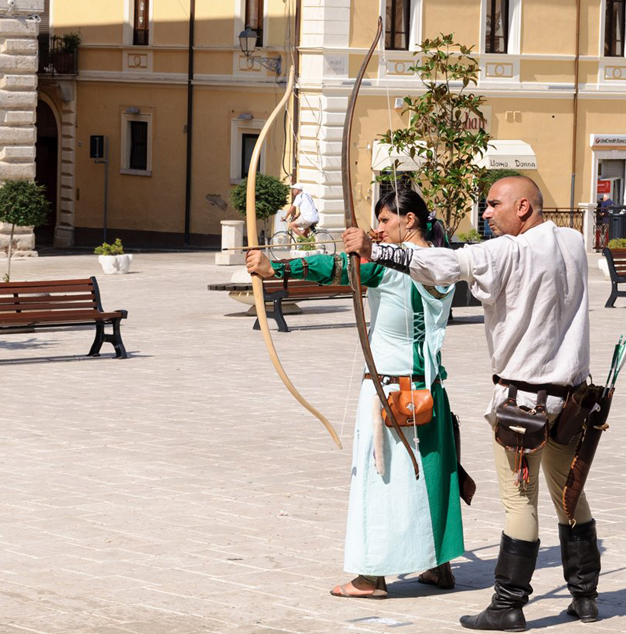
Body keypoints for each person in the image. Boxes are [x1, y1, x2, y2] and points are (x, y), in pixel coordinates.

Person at [344, 176, 602, 630]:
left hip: (524, 403)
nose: (485, 213)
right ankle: (585, 598)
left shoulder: (507, 251)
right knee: (569, 494)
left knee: (520, 502)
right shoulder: (573, 241)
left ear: (523, 207)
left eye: (493, 204)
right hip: (573, 399)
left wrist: (376, 249)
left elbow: (446, 263)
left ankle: (507, 606)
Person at [247, 189, 465, 599]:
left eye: (385, 221)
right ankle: (439, 566)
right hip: (428, 389)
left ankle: (370, 577)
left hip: (389, 391)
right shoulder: (440, 260)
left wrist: (274, 267)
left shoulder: (393, 266)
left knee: (380, 480)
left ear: (410, 221)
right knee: (430, 478)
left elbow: (336, 269)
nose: (378, 228)